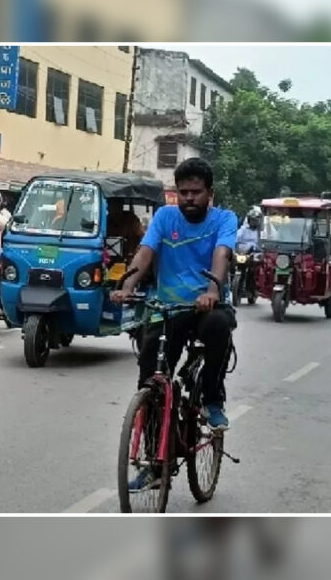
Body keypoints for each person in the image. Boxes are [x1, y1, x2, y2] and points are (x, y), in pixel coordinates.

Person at [111, 157, 237, 455]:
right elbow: (145, 253)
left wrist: (212, 290)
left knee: (219, 328)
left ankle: (211, 399)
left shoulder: (224, 219)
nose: (189, 198)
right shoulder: (165, 217)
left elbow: (222, 254)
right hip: (168, 307)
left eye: (196, 192)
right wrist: (127, 286)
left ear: (210, 194)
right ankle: (156, 459)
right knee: (151, 380)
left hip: (207, 305)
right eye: (183, 192)